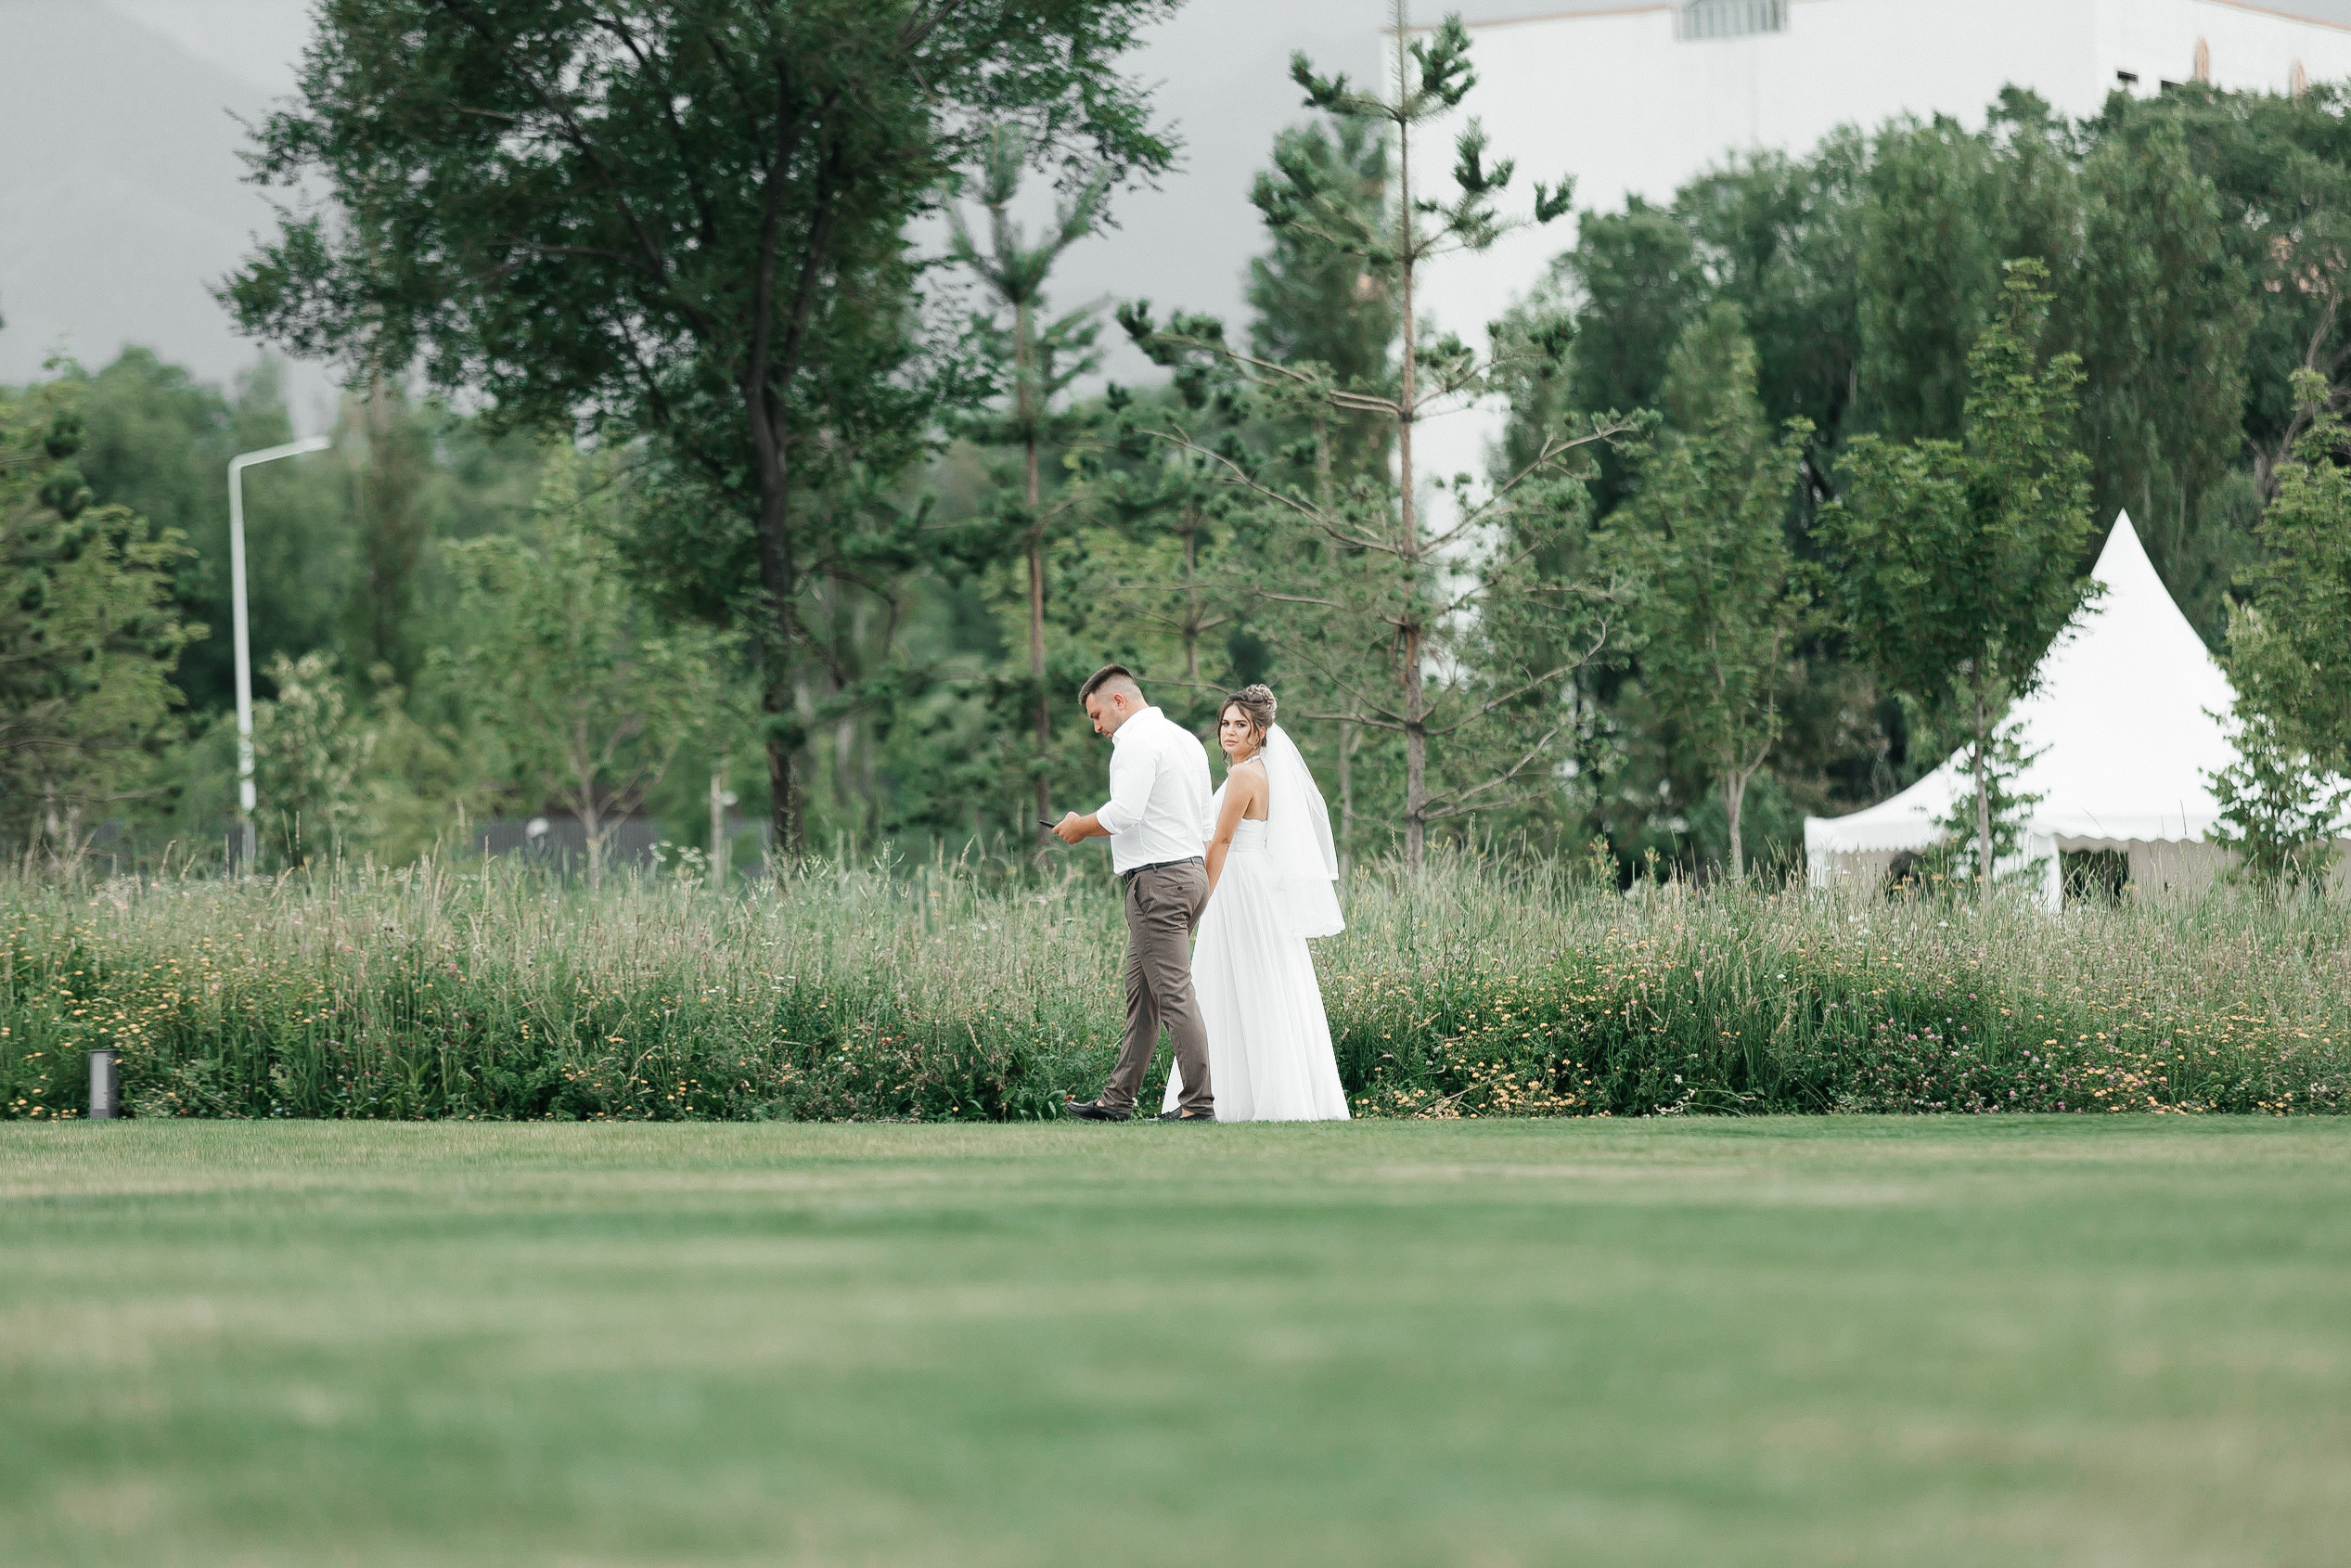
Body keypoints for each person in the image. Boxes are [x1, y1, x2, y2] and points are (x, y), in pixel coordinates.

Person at [1163, 685, 1350, 1122]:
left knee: (1240, 983)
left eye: (1240, 725)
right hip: (1256, 881)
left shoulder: (1243, 776)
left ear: (1259, 732)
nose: (1229, 732)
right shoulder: (1262, 771)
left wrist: (1198, 900)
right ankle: (1238, 1096)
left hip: (1238, 883)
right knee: (1253, 983)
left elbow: (1222, 841)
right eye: (1225, 723)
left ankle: (1222, 1098)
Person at [1052, 666, 1218, 1123]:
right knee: (1143, 997)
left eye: (1096, 715)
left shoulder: (1134, 741)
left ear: (1119, 702)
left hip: (1156, 884)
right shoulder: (1185, 740)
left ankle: (1199, 1104)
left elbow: (1123, 814)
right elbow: (1205, 824)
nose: (1097, 727)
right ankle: (1117, 1100)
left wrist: (1079, 826)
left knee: (1174, 995)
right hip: (1190, 875)